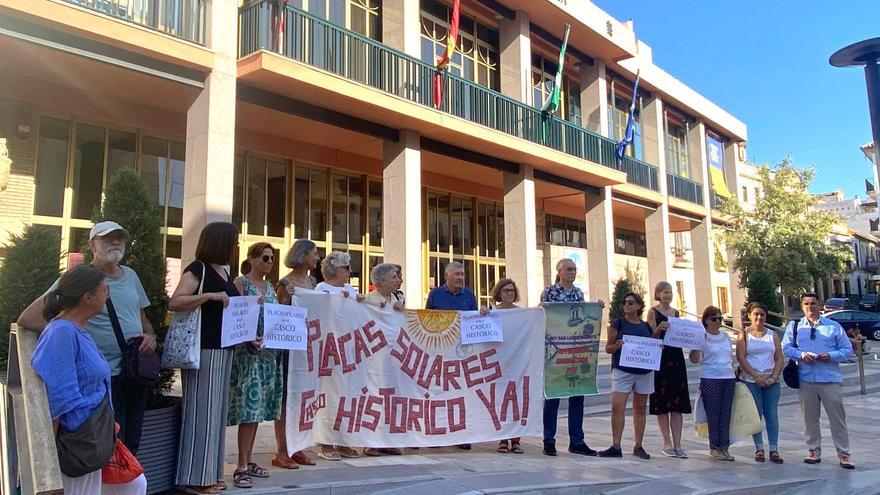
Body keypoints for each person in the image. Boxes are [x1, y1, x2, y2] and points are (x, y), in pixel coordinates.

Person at [18, 221, 156, 454]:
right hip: (101, 379)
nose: (115, 242)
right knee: (110, 446)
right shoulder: (80, 279)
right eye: (107, 238)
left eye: (119, 237)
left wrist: (151, 336)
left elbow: (142, 319)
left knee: (131, 444)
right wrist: (73, 336)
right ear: (92, 244)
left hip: (134, 374)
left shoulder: (131, 276)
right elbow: (28, 318)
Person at [31, 265, 147, 494]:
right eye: (105, 289)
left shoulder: (75, 330)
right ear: (87, 297)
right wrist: (47, 462)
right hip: (80, 441)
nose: (109, 295)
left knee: (134, 485)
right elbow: (59, 397)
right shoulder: (62, 333)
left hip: (95, 435)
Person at [170, 222, 240, 494]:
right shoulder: (197, 268)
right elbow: (175, 301)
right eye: (232, 242)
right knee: (202, 413)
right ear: (220, 242)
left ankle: (211, 473)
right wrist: (210, 295)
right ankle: (195, 478)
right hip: (203, 349)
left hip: (224, 348)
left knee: (216, 414)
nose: (235, 247)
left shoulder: (225, 271)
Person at [228, 243, 283, 488]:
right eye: (265, 257)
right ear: (251, 259)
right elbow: (235, 316)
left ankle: (248, 460)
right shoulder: (241, 283)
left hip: (267, 356)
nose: (269, 262)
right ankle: (241, 465)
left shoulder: (270, 286)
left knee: (258, 409)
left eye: (272, 258)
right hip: (248, 354)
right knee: (248, 410)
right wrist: (250, 337)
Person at [782, 293, 854, 469]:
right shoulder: (795, 326)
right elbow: (786, 347)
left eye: (813, 303)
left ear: (819, 305)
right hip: (806, 379)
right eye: (806, 303)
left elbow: (847, 350)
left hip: (830, 379)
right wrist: (801, 355)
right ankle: (814, 451)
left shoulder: (833, 327)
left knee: (837, 419)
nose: (809, 306)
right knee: (810, 419)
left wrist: (829, 356)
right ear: (802, 306)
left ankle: (843, 454)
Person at [540, 258, 604, 457]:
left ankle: (577, 440)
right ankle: (548, 439)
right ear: (559, 271)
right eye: (569, 269)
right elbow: (541, 316)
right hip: (556, 351)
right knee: (553, 396)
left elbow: (584, 316)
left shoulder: (578, 293)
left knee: (578, 394)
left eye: (575, 269)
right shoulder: (550, 292)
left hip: (577, 351)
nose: (572, 272)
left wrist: (596, 308)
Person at [425, 261, 483, 450]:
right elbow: (425, 320)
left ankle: (461, 435)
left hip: (462, 353)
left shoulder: (469, 295)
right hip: (440, 352)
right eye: (456, 274)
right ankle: (436, 434)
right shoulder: (435, 295)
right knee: (437, 393)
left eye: (462, 274)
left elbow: (475, 319)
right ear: (446, 276)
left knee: (461, 394)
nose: (460, 277)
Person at [273, 239, 321, 468]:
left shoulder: (313, 281)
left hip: (307, 346)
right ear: (302, 256)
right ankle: (282, 451)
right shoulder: (285, 282)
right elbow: (276, 311)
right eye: (314, 253)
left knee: (302, 397)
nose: (317, 258)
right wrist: (286, 298)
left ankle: (297, 448)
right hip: (288, 346)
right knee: (286, 399)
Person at [313, 251, 363, 460]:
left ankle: (342, 441)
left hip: (349, 351)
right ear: (335, 270)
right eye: (346, 268)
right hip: (329, 351)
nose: (350, 272)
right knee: (329, 396)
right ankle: (325, 442)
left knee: (346, 395)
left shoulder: (349, 290)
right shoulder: (321, 289)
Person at [598, 292, 655, 460]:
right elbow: (608, 348)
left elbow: (651, 346)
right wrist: (616, 345)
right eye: (625, 303)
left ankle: (639, 445)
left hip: (643, 372)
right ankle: (616, 445)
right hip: (623, 370)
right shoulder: (618, 323)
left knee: (640, 408)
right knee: (618, 406)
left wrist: (657, 350)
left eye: (631, 302)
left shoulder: (646, 327)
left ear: (638, 306)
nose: (627, 305)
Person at [361, 263, 405, 457]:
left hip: (395, 355)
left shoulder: (398, 297)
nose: (398, 280)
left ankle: (388, 440)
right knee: (375, 398)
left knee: (392, 398)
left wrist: (402, 310)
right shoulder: (369, 299)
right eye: (394, 277)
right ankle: (371, 442)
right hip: (375, 356)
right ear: (382, 280)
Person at [646, 281, 691, 458]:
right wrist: (658, 329)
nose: (668, 295)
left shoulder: (676, 313)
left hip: (676, 357)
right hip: (661, 358)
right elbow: (649, 336)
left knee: (677, 404)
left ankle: (678, 443)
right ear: (658, 294)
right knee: (663, 402)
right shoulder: (653, 312)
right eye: (665, 292)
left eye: (670, 292)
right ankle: (667, 442)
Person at [735, 302, 784, 464]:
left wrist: (773, 377)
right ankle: (759, 448)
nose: (759, 317)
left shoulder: (773, 335)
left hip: (771, 380)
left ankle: (774, 449)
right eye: (756, 314)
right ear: (750, 315)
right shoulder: (744, 334)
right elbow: (741, 357)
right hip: (751, 381)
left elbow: (779, 357)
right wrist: (756, 377)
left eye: (762, 314)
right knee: (756, 415)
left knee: (772, 415)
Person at [689, 306, 736, 462]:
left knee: (726, 413)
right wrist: (696, 345)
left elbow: (729, 355)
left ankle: (724, 446)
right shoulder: (702, 337)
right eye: (714, 319)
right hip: (710, 377)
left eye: (720, 318)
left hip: (728, 376)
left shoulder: (725, 337)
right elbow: (695, 359)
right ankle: (714, 446)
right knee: (713, 413)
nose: (718, 321)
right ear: (706, 321)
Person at [490, 278, 524, 455]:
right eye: (506, 290)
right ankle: (503, 438)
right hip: (499, 360)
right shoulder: (492, 311)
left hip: (517, 361)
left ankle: (516, 440)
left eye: (512, 290)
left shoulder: (523, 313)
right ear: (499, 293)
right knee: (501, 401)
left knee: (517, 401)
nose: (509, 293)